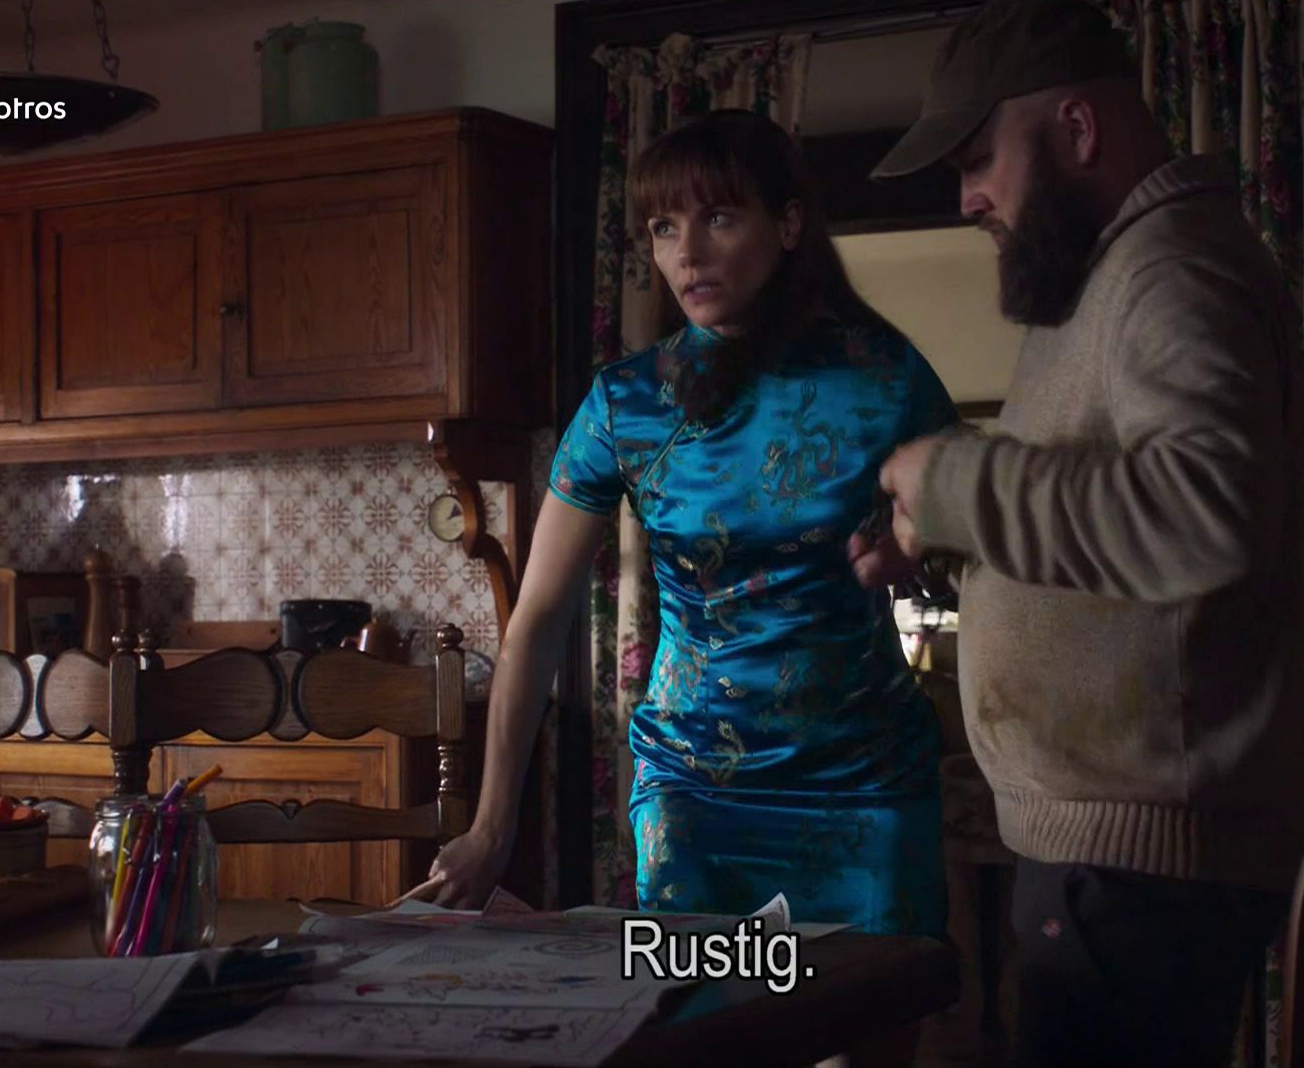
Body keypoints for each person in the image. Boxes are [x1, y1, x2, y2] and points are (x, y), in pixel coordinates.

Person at [850, 0, 1304, 1066]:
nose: (967, 198)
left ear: (1076, 128)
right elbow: (1118, 524)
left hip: (1140, 873)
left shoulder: (1170, 270)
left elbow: (1206, 512)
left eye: (979, 158)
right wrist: (950, 544)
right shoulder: (1111, 276)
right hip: (1116, 863)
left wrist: (956, 477)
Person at [408, 110, 956, 953]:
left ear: (788, 225)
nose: (687, 254)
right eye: (664, 228)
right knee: (699, 1014)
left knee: (867, 1010)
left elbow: (970, 548)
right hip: (694, 792)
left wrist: (917, 550)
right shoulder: (628, 403)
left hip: (865, 779)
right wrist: (491, 828)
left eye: (719, 218)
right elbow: (539, 620)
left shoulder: (885, 378)